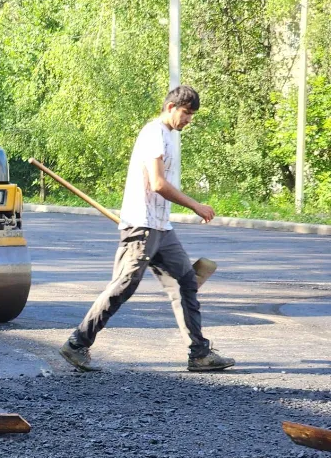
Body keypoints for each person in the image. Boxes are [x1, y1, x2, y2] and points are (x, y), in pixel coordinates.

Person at [59, 85, 235, 373]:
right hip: (141, 227)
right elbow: (157, 183)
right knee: (122, 288)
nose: (189, 119)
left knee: (186, 282)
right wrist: (195, 205)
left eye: (192, 115)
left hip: (161, 228)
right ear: (170, 107)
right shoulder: (154, 132)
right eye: (186, 113)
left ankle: (199, 353)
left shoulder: (170, 135)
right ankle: (77, 343)